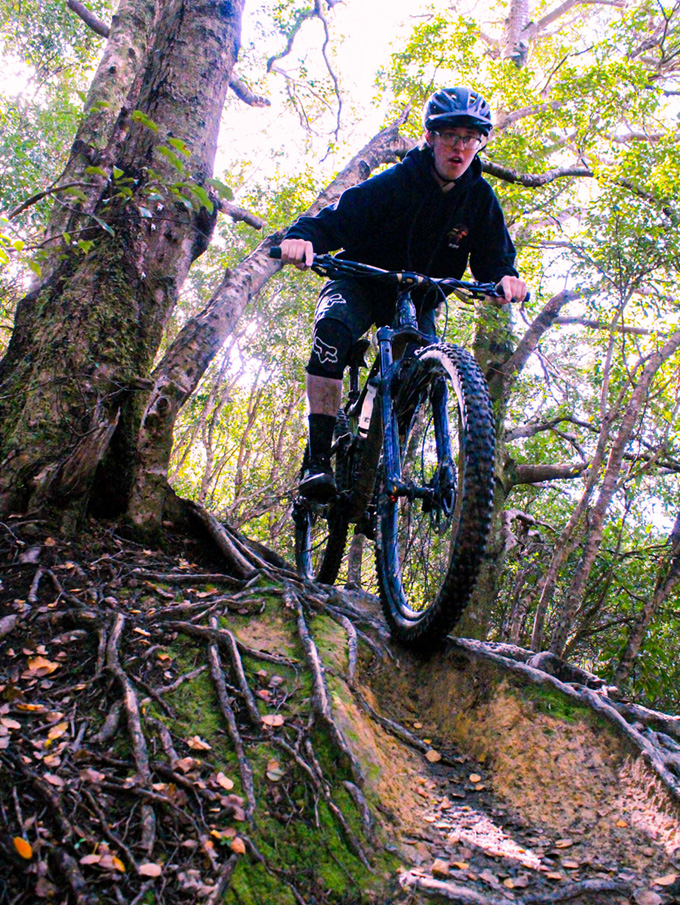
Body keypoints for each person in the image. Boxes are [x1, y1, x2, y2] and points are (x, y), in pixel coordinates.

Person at [279, 86, 527, 500]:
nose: (460, 147)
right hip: (361, 280)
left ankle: (378, 473)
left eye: (470, 138)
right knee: (331, 333)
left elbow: (495, 259)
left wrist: (505, 280)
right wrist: (302, 238)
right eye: (451, 136)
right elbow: (337, 220)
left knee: (415, 375)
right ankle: (318, 459)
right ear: (430, 137)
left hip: (419, 299)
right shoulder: (397, 181)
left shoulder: (480, 199)